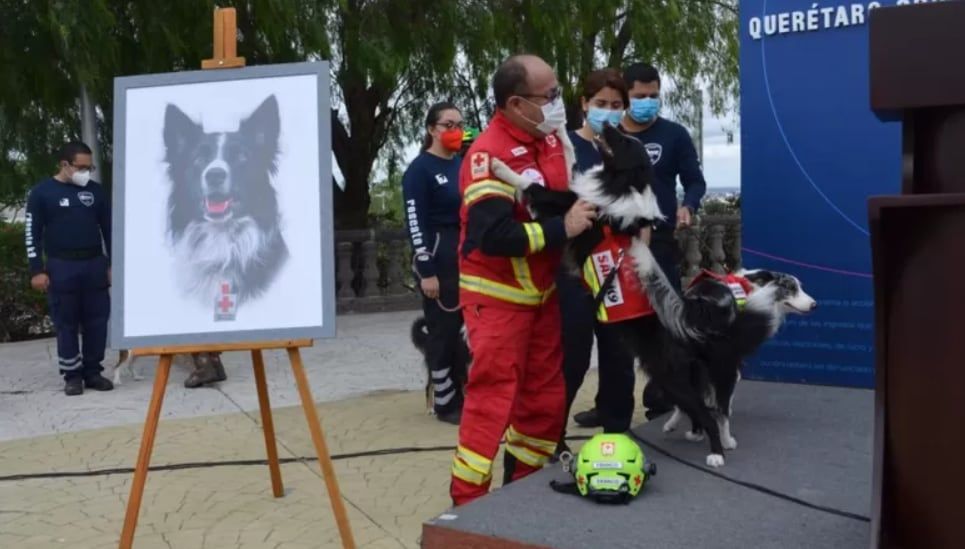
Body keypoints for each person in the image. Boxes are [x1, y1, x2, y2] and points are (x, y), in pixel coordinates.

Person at [450, 54, 597, 506]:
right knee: (492, 401)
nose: (558, 103)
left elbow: (559, 200)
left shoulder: (550, 140)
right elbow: (493, 236)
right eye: (549, 96)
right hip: (496, 297)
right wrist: (562, 229)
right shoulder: (487, 153)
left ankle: (522, 494)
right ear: (516, 104)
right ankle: (467, 503)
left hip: (542, 294)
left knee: (544, 400)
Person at [572, 62, 708, 428]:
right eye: (639, 96)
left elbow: (695, 181)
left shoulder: (674, 135)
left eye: (654, 96)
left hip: (656, 243)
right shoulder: (605, 142)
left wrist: (688, 205)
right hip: (606, 247)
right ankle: (608, 406)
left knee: (660, 326)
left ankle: (661, 401)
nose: (647, 102)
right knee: (610, 333)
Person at [553, 68, 642, 458]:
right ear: (584, 104)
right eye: (601, 103)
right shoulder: (564, 147)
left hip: (617, 268)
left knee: (620, 356)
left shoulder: (629, 150)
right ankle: (550, 436)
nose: (609, 110)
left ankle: (618, 435)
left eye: (616, 104)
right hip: (573, 269)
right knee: (571, 358)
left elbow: (642, 208)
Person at [25, 141, 114, 396]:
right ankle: (72, 375)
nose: (86, 172)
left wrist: (112, 265)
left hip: (94, 264)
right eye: (81, 167)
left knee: (97, 321)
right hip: (61, 266)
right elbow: (32, 233)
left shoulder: (96, 192)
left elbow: (110, 230)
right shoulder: (42, 193)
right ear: (65, 165)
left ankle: (93, 371)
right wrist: (36, 270)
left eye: (89, 167)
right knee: (66, 323)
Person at [402, 101, 468, 424]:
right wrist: (426, 270)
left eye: (460, 125)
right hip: (438, 256)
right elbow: (415, 224)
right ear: (432, 129)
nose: (456, 131)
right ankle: (444, 401)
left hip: (465, 254)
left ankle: (462, 390)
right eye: (448, 125)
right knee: (442, 330)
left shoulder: (462, 165)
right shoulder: (419, 170)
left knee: (464, 331)